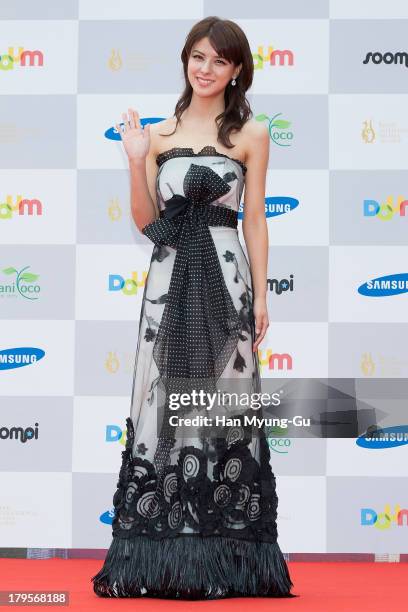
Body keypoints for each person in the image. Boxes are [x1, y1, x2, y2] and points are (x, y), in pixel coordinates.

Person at [92, 16, 296, 600]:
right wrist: (135, 159)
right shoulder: (157, 135)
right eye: (197, 57)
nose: (205, 69)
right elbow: (145, 222)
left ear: (236, 72)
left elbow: (254, 219)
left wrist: (260, 294)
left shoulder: (252, 135)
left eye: (218, 61)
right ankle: (160, 555)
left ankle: (228, 558)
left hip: (228, 281)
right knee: (164, 404)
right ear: (186, 61)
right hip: (170, 277)